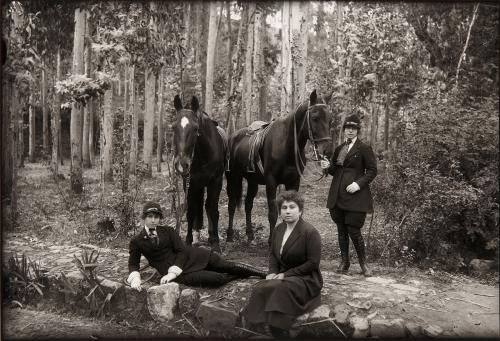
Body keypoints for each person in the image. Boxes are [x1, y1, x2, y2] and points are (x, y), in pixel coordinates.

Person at [127, 201, 266, 290]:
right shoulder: (137, 241)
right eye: (150, 216)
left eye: (156, 217)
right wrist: (135, 279)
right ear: (144, 217)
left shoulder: (168, 231)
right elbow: (133, 264)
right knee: (216, 279)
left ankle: (262, 274)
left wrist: (172, 272)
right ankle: (240, 276)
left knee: (227, 265)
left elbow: (181, 251)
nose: (153, 220)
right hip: (183, 274)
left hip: (194, 257)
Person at [241, 190, 323, 337]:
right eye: (284, 208)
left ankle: (278, 329)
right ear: (280, 212)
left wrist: (285, 274)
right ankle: (256, 325)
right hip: (283, 274)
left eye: (292, 207)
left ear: (300, 210)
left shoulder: (310, 232)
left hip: (306, 277)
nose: (288, 211)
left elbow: (313, 263)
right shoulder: (278, 230)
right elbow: (273, 254)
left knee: (278, 287)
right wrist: (272, 272)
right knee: (260, 288)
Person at [320, 113, 377, 276]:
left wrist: (358, 184)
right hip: (337, 195)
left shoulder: (364, 148)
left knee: (354, 230)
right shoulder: (339, 149)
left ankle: (363, 264)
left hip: (355, 197)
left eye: (353, 128)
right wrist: (327, 166)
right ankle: (344, 262)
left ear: (357, 130)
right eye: (347, 128)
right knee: (341, 230)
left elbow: (372, 171)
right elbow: (334, 171)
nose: (350, 131)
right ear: (344, 130)